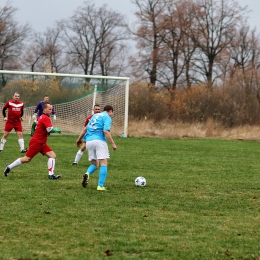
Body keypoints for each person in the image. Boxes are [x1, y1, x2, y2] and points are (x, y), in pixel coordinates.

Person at [4, 102, 61, 180]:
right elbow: (49, 129)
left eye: (52, 109)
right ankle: (9, 167)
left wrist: (32, 132)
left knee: (53, 156)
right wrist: (56, 130)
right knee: (27, 159)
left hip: (42, 143)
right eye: (49, 109)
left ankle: (51, 175)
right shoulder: (45, 118)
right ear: (44, 109)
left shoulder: (41, 116)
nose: (51, 110)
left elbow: (34, 123)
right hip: (37, 143)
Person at [80, 105, 116, 191]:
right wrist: (113, 144)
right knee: (104, 163)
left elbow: (86, 129)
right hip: (99, 141)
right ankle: (100, 186)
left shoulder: (95, 116)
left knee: (95, 164)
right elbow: (106, 131)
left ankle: (87, 174)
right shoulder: (107, 117)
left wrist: (79, 139)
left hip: (89, 141)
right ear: (110, 111)